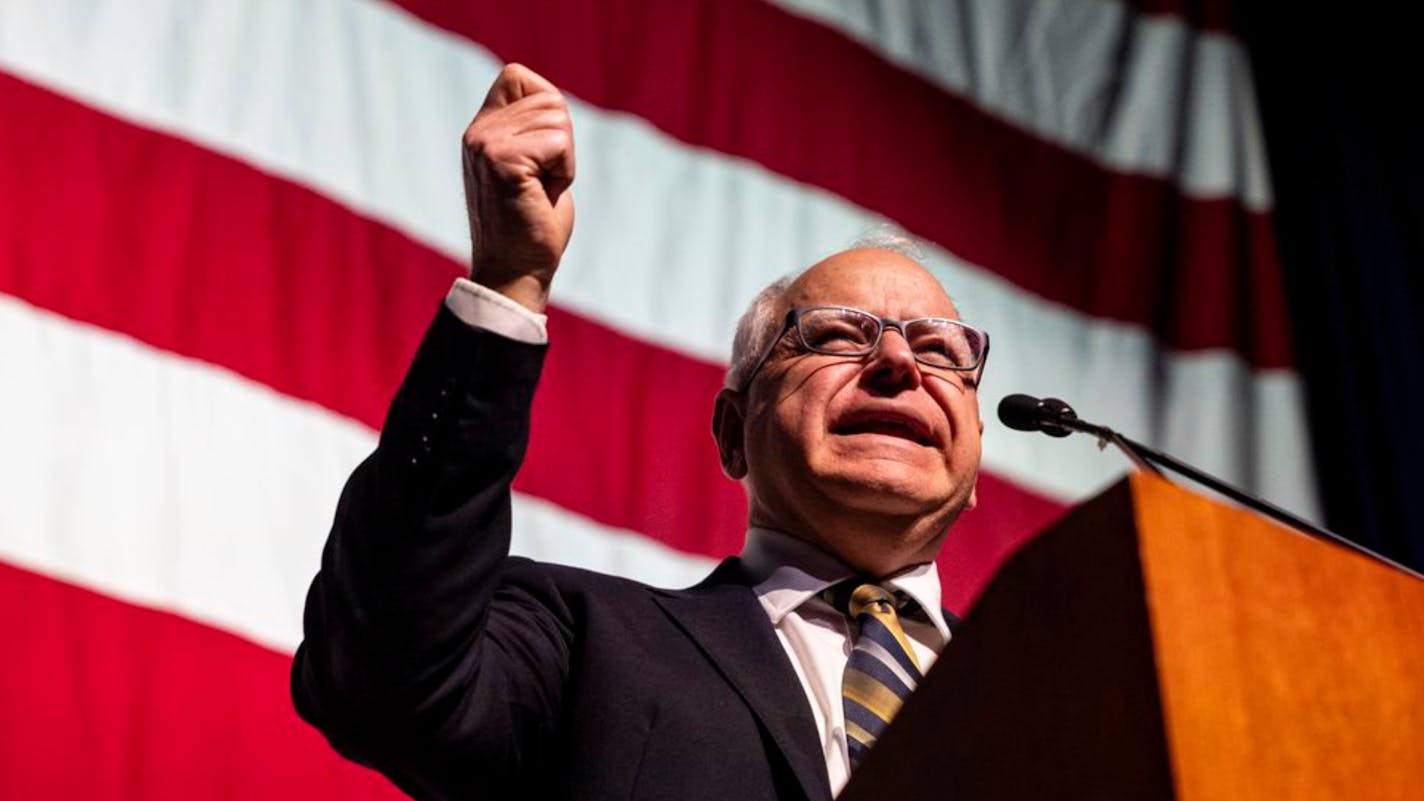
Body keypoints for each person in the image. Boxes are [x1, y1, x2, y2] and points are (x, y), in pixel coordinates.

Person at [292, 64, 988, 801]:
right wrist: (509, 285)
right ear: (732, 432)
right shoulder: (589, 646)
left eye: (942, 350)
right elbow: (380, 678)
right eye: (837, 334)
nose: (897, 360)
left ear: (974, 463)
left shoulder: (1072, 696)